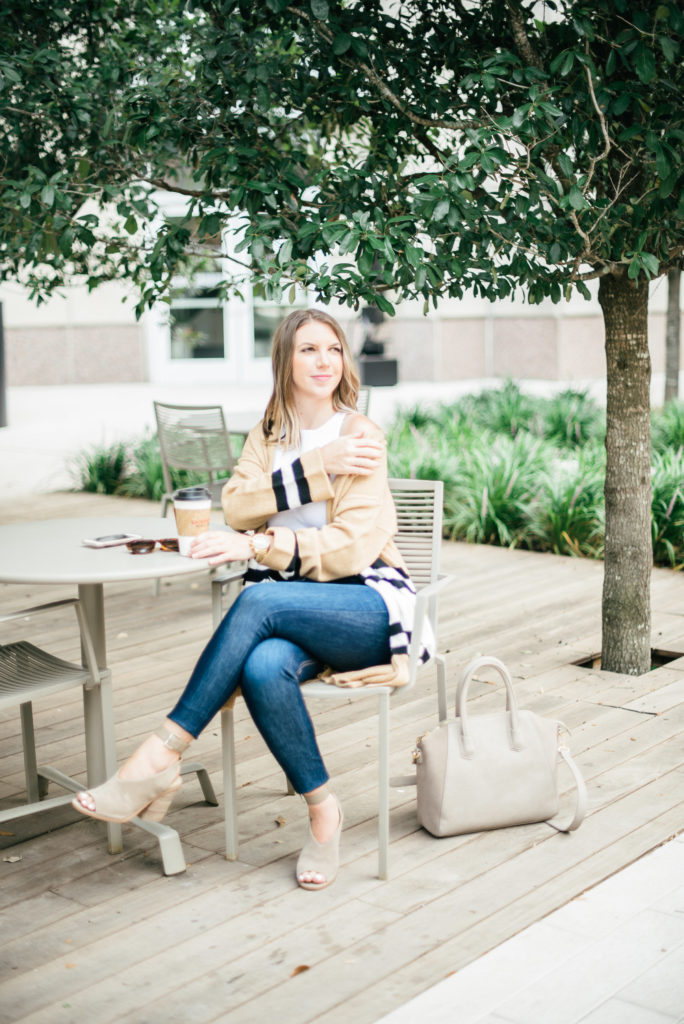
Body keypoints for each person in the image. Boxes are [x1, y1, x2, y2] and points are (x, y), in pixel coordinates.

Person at [72, 308, 431, 890]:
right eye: (308, 349)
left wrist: (259, 544)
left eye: (334, 349)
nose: (323, 361)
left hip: (366, 607)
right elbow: (237, 506)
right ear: (285, 359)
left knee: (256, 604)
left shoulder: (359, 435)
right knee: (264, 667)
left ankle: (160, 758)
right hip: (295, 605)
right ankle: (323, 811)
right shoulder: (269, 432)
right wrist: (316, 468)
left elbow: (348, 548)